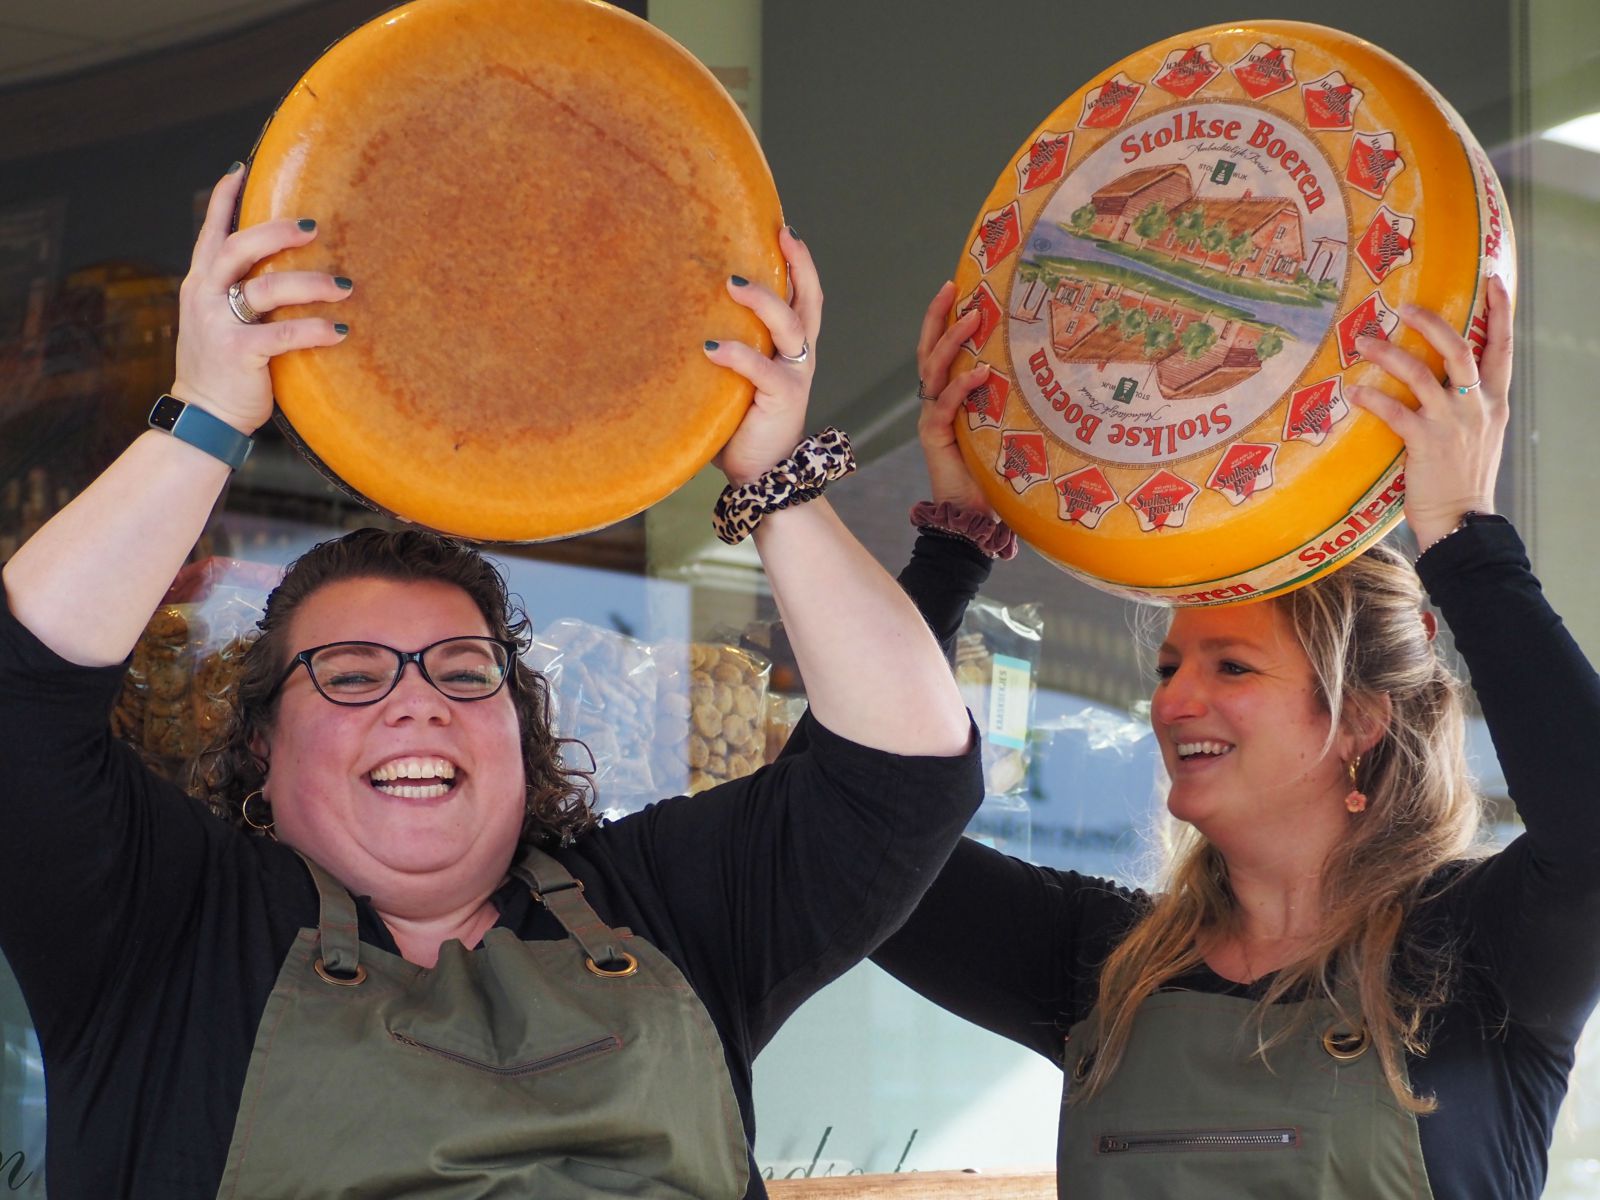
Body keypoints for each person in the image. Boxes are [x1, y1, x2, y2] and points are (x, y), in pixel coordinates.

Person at [0, 165, 980, 1199]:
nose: (417, 700)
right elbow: (18, 695)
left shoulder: (668, 909)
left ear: (520, 733)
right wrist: (206, 413)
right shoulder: (163, 928)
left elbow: (906, 772)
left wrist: (769, 475)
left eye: (466, 674)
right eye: (350, 675)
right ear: (262, 750)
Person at [873, 274, 1600, 1198]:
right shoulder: (1103, 966)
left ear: (1361, 718)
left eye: (1232, 666)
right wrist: (955, 543)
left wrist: (1461, 535)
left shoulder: (1476, 952)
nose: (1173, 703)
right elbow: (840, 834)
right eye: (1170, 667)